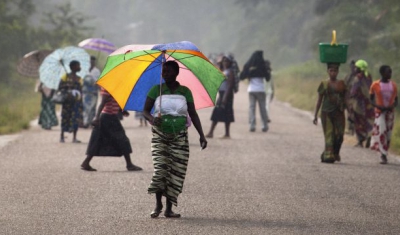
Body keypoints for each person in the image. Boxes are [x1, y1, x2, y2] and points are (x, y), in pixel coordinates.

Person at [142, 61, 207, 218]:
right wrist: (151, 118)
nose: (165, 73)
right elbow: (144, 110)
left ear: (176, 73)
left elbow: (193, 113)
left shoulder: (185, 92)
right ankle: (158, 204)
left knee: (175, 171)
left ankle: (169, 209)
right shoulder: (156, 90)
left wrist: (202, 135)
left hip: (180, 137)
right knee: (161, 169)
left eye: (168, 71)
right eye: (163, 71)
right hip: (160, 135)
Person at [80, 86, 143, 172]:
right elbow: (102, 103)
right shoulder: (107, 88)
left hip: (111, 117)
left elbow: (115, 101)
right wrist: (97, 117)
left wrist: (122, 110)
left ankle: (86, 162)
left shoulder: (115, 88)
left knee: (98, 140)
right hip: (107, 117)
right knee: (122, 139)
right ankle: (129, 164)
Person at [313, 63, 346, 163]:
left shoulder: (341, 84)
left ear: (338, 72)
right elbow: (319, 100)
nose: (333, 73)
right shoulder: (324, 84)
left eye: (335, 71)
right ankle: (328, 155)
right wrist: (315, 115)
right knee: (329, 135)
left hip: (339, 113)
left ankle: (335, 153)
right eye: (331, 70)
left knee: (339, 135)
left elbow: (346, 98)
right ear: (327, 71)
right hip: (326, 113)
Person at [369, 65, 398, 164]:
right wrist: (377, 106)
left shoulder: (393, 85)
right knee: (382, 132)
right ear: (382, 73)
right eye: (388, 72)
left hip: (390, 112)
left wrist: (392, 106)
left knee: (388, 134)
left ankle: (385, 152)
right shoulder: (375, 84)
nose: (390, 74)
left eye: (390, 72)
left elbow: (396, 100)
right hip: (380, 112)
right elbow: (371, 99)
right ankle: (383, 154)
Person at [206, 55, 235, 139]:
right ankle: (220, 133)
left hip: (227, 95)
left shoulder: (230, 72)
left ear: (230, 63)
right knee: (220, 112)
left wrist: (225, 98)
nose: (225, 62)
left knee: (223, 112)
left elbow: (230, 85)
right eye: (224, 61)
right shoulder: (224, 70)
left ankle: (215, 132)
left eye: (227, 61)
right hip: (222, 94)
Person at [240, 50, 270, 132]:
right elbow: (268, 78)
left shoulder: (250, 66)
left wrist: (249, 71)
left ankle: (252, 125)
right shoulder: (263, 66)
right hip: (261, 89)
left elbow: (242, 76)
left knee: (252, 108)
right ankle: (264, 125)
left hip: (252, 89)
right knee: (262, 108)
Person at [350, 60, 374, 148]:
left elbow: (354, 91)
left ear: (359, 68)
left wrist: (350, 98)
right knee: (369, 120)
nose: (355, 69)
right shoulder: (369, 76)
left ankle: (360, 140)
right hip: (369, 103)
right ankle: (369, 136)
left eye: (356, 67)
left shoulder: (357, 78)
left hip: (359, 104)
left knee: (358, 121)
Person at [58, 60, 84, 143]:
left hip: (76, 102)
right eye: (78, 65)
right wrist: (66, 86)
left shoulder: (79, 78)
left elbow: (81, 90)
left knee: (75, 118)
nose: (79, 67)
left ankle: (74, 137)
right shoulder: (65, 77)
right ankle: (62, 136)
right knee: (65, 118)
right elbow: (60, 87)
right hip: (67, 102)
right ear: (73, 67)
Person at [82, 56, 101, 128]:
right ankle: (86, 122)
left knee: (93, 107)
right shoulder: (85, 70)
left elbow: (98, 81)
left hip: (93, 92)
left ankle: (91, 122)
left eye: (92, 61)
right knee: (85, 107)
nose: (91, 63)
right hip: (85, 92)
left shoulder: (97, 71)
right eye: (90, 61)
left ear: (94, 62)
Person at [344, 60, 356, 135]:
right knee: (349, 114)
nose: (352, 68)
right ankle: (351, 128)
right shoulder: (348, 76)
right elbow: (345, 86)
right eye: (351, 66)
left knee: (354, 113)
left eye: (354, 66)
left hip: (355, 98)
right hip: (349, 98)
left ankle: (354, 129)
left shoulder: (358, 77)